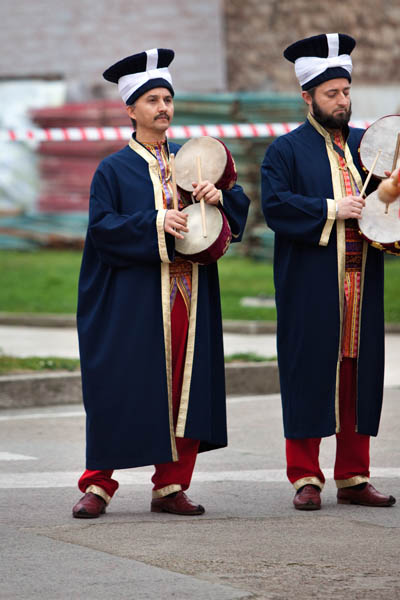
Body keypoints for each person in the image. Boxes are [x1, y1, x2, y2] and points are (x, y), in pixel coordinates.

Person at [72, 48, 249, 518]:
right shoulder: (113, 169)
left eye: (167, 98)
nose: (163, 108)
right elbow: (102, 230)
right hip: (135, 300)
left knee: (185, 389)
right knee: (120, 385)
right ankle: (98, 484)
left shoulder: (194, 161)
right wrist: (155, 221)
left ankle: (171, 486)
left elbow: (234, 212)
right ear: (131, 109)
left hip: (190, 294)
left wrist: (219, 197)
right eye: (152, 99)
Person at [261, 33, 396, 510]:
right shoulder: (285, 151)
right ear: (307, 98)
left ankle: (354, 476)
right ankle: (305, 477)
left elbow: (385, 210)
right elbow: (276, 207)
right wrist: (331, 209)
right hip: (311, 285)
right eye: (331, 94)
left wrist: (390, 195)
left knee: (358, 375)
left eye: (345, 92)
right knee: (309, 372)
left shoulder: (368, 145)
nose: (342, 102)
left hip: (363, 282)